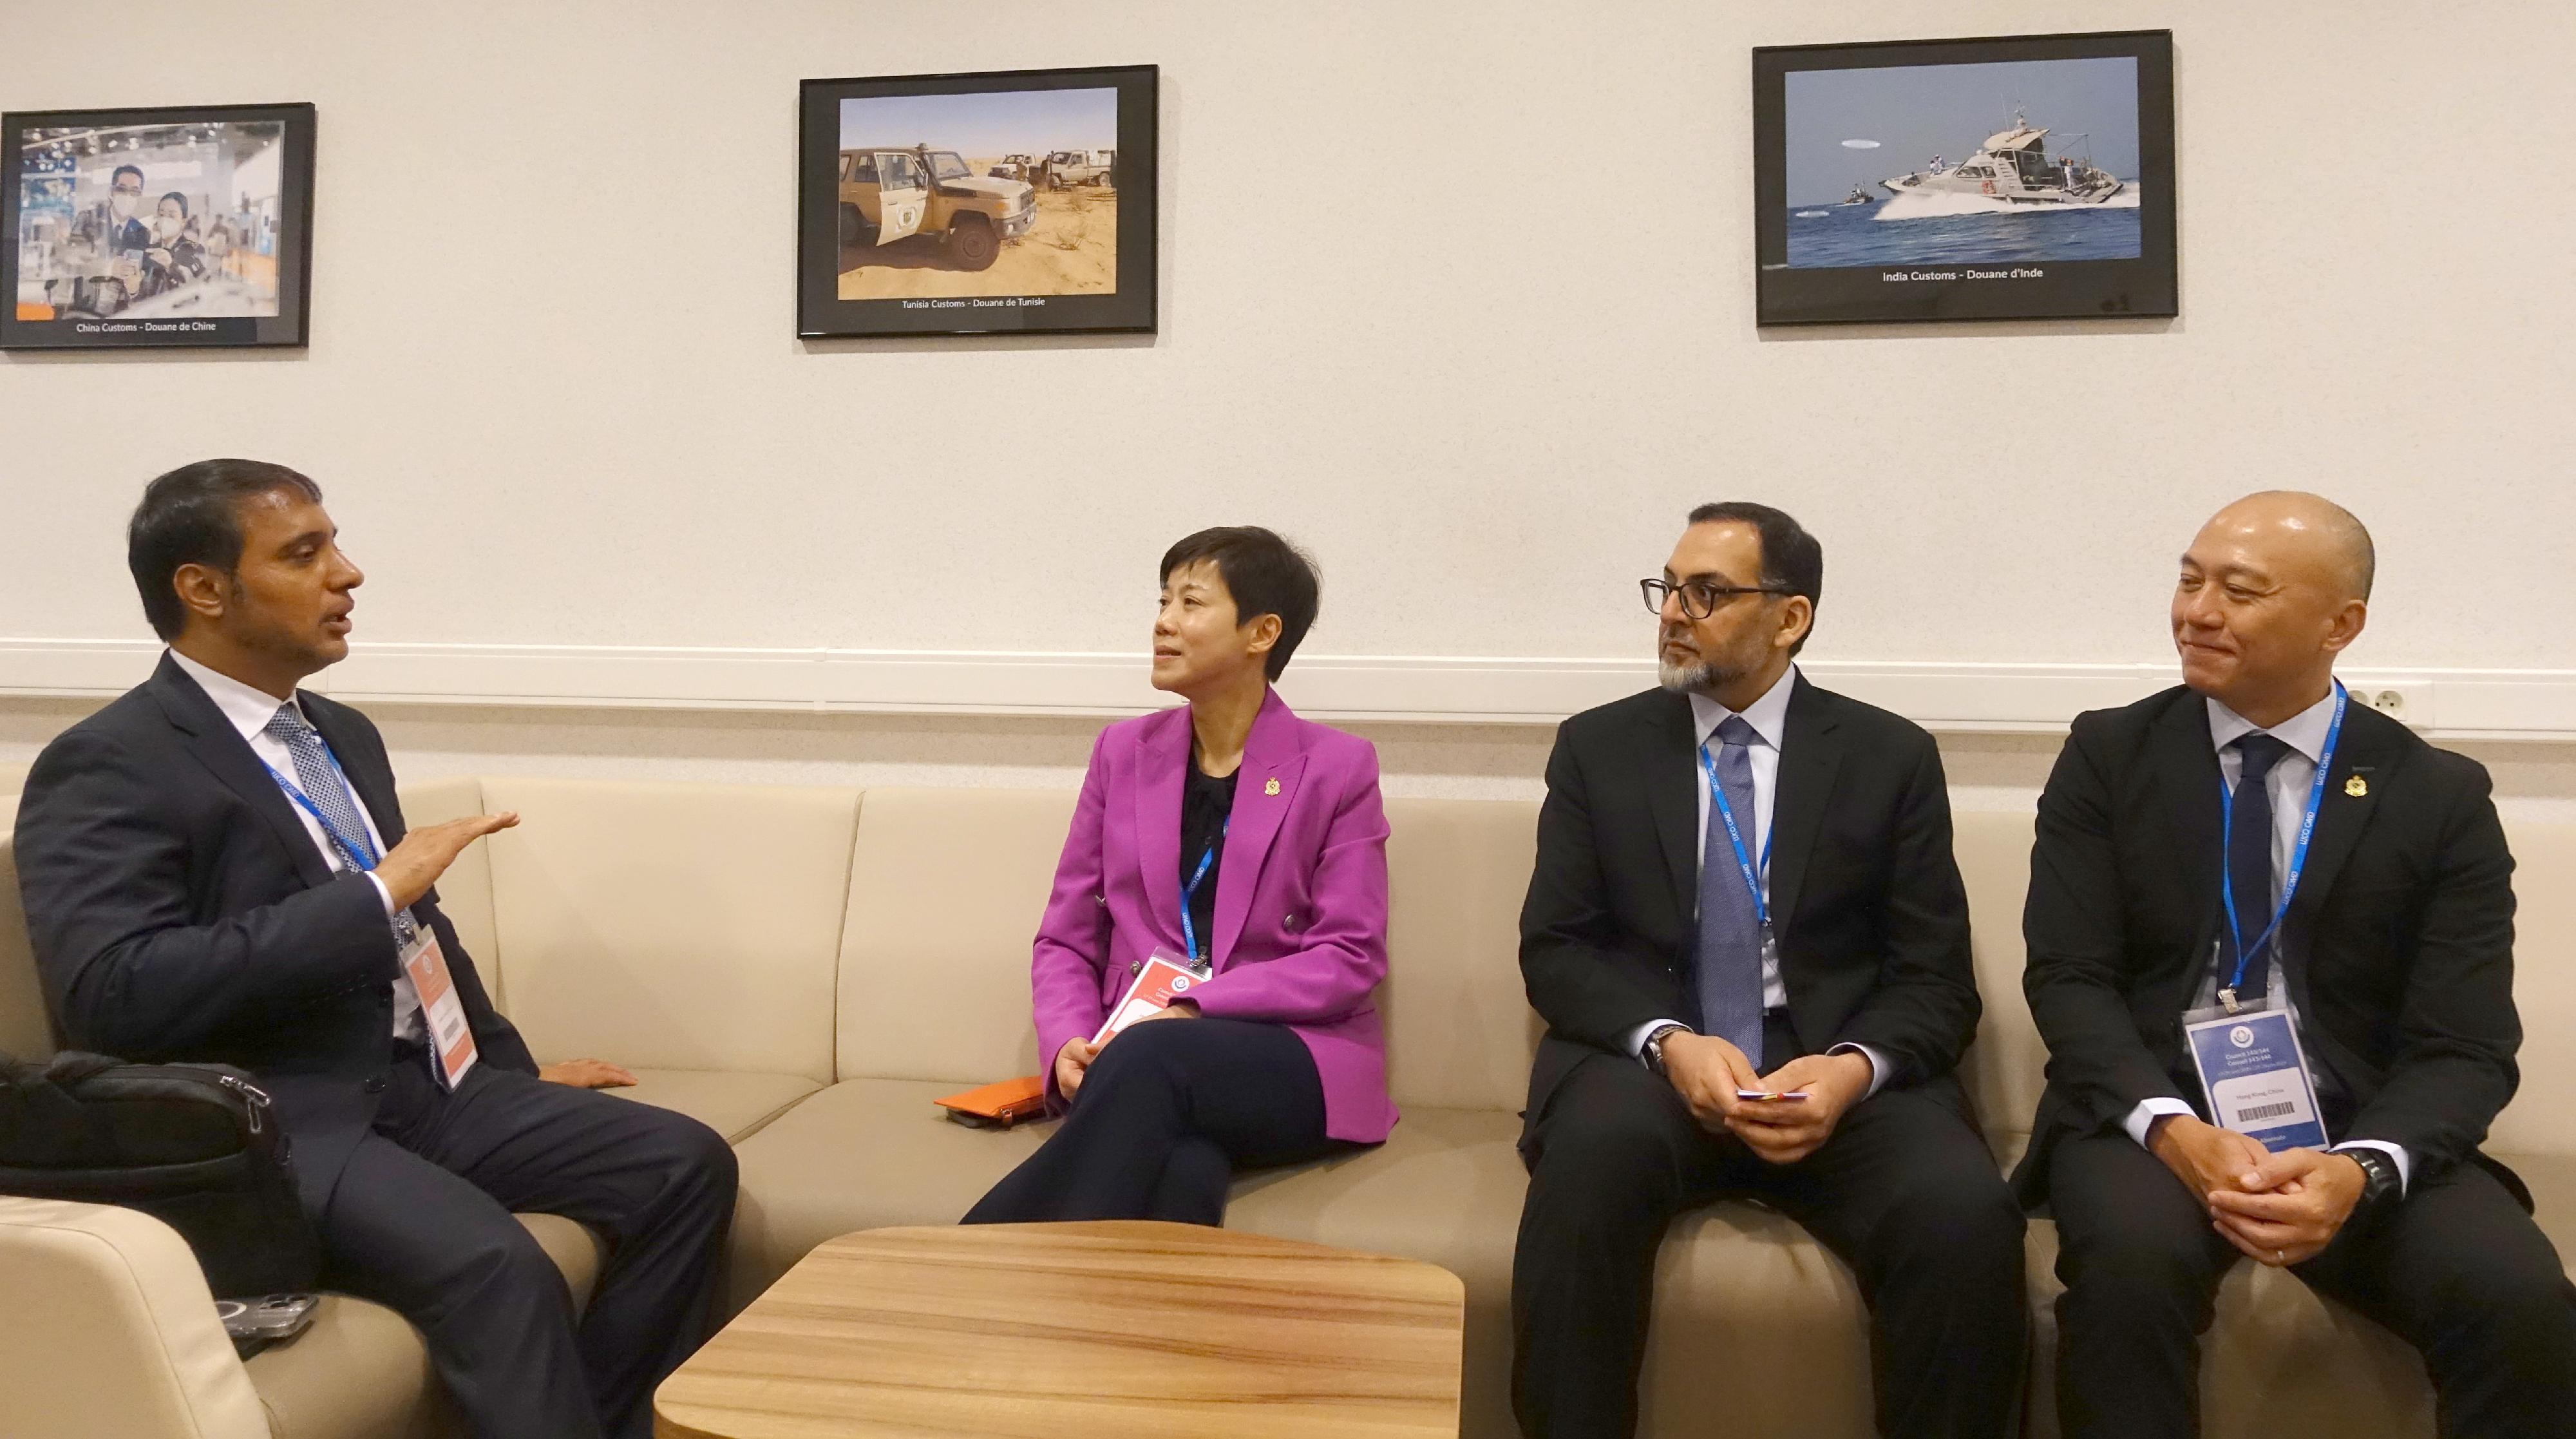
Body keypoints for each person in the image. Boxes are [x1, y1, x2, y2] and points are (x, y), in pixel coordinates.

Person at [12, 460, 737, 1439]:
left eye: (335, 544)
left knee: (682, 1164)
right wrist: (375, 892)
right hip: (277, 1115)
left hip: (423, 1087)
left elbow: (414, 932)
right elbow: (116, 993)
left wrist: (500, 1072)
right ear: (204, 587)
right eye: (304, 553)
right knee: (499, 1265)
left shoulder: (339, 733)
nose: (347, 573)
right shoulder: (108, 761)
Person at [2020, 491, 2576, 1438]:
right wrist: (2175, 1133)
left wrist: (2358, 1171)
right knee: (2128, 1274)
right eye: (2189, 579)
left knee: (2522, 1301)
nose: (2197, 610)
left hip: (2351, 1129)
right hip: (2151, 1121)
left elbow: (2467, 1046)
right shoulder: (2109, 754)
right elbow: (2069, 980)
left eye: (2240, 590)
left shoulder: (2436, 795)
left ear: (2340, 624)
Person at [1511, 503, 2025, 1439]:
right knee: (1589, 1170)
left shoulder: (1887, 754)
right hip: (1658, 1062)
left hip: (1828, 1062)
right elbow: (1557, 946)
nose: (1673, 611)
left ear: (1791, 617)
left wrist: (1850, 1068)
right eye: (1667, 587)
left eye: (1707, 592)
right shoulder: (1600, 746)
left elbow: (1937, 978)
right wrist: (1669, 1043)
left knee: (1963, 1213)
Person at [963, 526, 1394, 1226]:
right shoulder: (1122, 752)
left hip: (1289, 1055)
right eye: (1162, 600)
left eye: (1190, 602)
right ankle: (1130, 1333)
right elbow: (1066, 939)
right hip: (1144, 1061)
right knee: (1182, 1169)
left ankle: (968, 1260)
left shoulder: (1338, 766)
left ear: (1262, 633)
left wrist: (1199, 1005)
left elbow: (1349, 955)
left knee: (1154, 1056)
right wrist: (1068, 1039)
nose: (1163, 621)